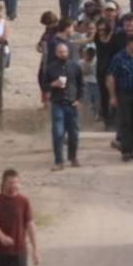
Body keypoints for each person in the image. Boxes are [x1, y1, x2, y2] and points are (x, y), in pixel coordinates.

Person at [106, 33, 133, 162]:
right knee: (125, 122)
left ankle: (132, 149)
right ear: (130, 43)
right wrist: (112, 96)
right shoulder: (119, 58)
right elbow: (111, 77)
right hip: (124, 93)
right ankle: (125, 151)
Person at [44, 42, 83, 170]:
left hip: (72, 104)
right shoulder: (50, 68)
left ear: (68, 52)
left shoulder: (75, 66)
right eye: (60, 52)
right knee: (58, 133)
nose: (62, 54)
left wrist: (79, 99)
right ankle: (59, 161)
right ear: (56, 53)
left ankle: (73, 157)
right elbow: (44, 85)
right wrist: (53, 84)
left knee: (74, 133)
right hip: (58, 104)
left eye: (64, 52)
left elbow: (81, 84)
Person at [79, 44, 100, 125]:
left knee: (96, 102)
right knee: (87, 102)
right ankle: (87, 119)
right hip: (86, 83)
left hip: (96, 83)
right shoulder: (81, 62)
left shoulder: (97, 61)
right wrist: (86, 64)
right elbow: (81, 73)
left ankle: (95, 117)